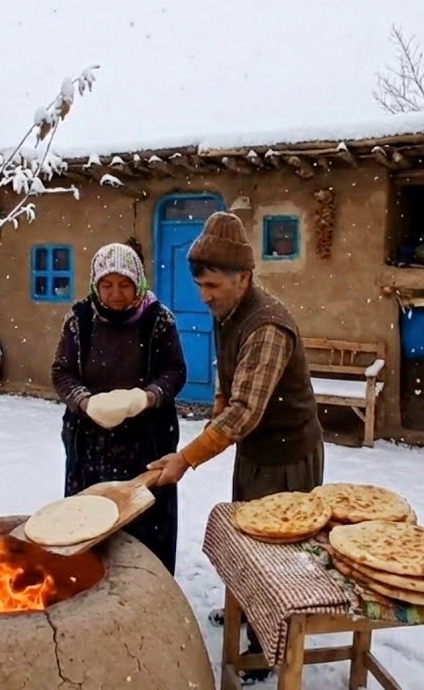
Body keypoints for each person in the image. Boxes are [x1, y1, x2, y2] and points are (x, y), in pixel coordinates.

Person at [147, 211, 325, 681]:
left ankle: (269, 647)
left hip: (287, 456)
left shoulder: (267, 326)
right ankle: (247, 613)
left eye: (213, 287)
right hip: (255, 452)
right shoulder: (231, 314)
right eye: (201, 287)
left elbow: (245, 411)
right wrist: (215, 417)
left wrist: (187, 458)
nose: (204, 297)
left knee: (278, 561)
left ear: (243, 277)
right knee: (248, 545)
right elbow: (230, 387)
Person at [51, 240, 187, 574]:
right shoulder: (79, 319)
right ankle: (88, 582)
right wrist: (85, 401)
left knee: (147, 521)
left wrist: (147, 397)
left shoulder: (158, 320)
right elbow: (61, 371)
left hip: (148, 440)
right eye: (107, 285)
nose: (115, 293)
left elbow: (175, 371)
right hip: (90, 442)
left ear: (138, 282)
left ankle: (150, 586)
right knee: (89, 519)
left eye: (125, 284)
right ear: (95, 285)